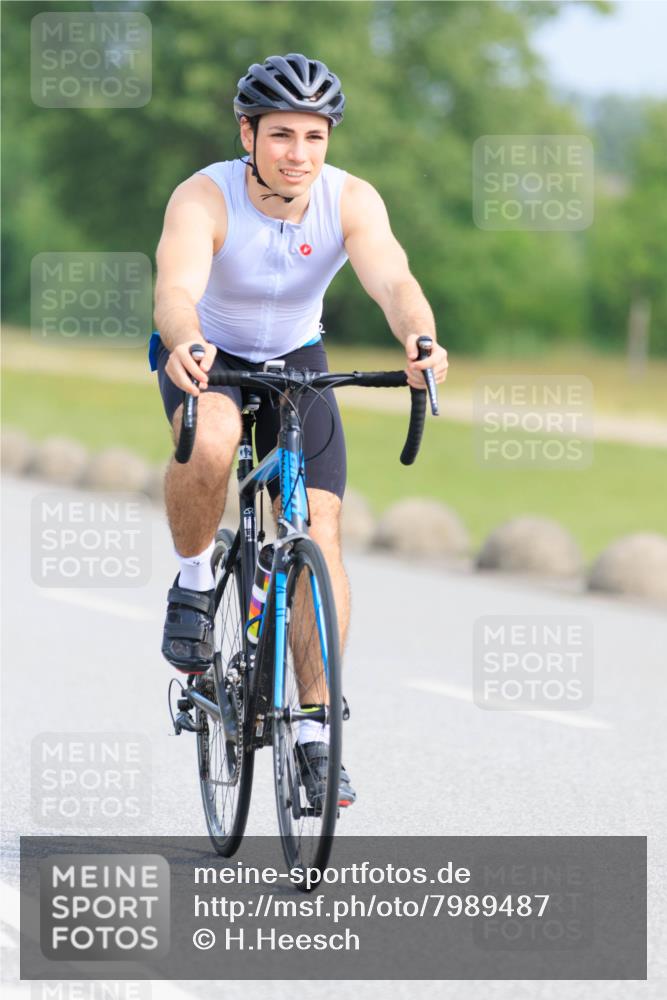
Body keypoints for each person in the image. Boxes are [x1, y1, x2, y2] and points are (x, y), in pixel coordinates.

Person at [152, 53, 448, 808]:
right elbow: (176, 288)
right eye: (281, 134)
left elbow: (394, 280)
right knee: (214, 437)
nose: (298, 154)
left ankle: (315, 731)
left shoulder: (350, 199)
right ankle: (193, 582)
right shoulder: (205, 195)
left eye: (314, 136)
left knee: (320, 529)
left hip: (296, 360)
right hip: (207, 351)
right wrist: (186, 340)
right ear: (247, 134)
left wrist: (418, 337)